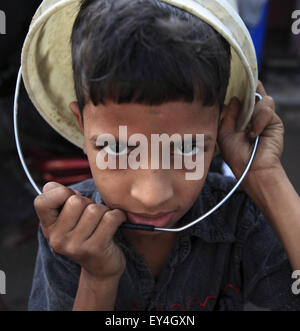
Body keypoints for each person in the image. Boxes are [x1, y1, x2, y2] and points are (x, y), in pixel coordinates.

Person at [25, 0, 300, 311]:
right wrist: (97, 278)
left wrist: (266, 177)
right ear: (81, 126)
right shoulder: (70, 232)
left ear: (222, 126)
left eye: (186, 148)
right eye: (117, 148)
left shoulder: (241, 218)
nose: (152, 195)